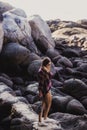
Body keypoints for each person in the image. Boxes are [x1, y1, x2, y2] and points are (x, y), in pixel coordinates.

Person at [38, 57, 52, 125]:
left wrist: (48, 70)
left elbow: (50, 77)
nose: (50, 65)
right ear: (45, 64)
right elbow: (41, 82)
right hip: (44, 89)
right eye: (49, 64)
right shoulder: (41, 71)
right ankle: (41, 119)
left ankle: (45, 118)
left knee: (48, 103)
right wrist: (40, 91)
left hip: (48, 88)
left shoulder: (46, 69)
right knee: (45, 104)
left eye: (50, 64)